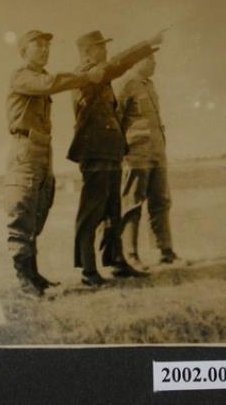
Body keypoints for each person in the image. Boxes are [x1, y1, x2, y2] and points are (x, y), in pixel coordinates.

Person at [5, 29, 104, 297]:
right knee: (22, 211)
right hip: (25, 149)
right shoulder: (21, 76)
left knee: (37, 211)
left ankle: (33, 275)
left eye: (47, 46)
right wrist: (85, 76)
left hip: (41, 149)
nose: (45, 49)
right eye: (38, 45)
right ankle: (24, 279)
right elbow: (50, 83)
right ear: (24, 51)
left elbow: (50, 82)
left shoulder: (39, 78)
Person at [67, 29, 165, 287]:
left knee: (113, 210)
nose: (105, 50)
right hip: (95, 152)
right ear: (87, 52)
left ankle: (117, 262)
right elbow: (117, 64)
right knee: (92, 211)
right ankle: (88, 270)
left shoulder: (100, 76)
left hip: (109, 151)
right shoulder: (85, 74)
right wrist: (146, 44)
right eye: (100, 46)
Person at [117, 55, 177, 272]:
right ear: (137, 61)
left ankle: (166, 252)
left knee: (161, 202)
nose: (154, 63)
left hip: (156, 153)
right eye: (149, 59)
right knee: (132, 204)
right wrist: (124, 152)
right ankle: (131, 255)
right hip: (136, 155)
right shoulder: (126, 84)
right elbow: (116, 119)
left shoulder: (148, 85)